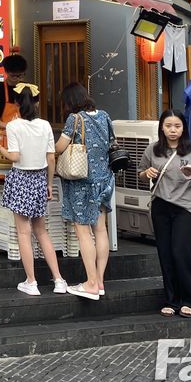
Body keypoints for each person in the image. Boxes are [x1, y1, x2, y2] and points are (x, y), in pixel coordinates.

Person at [0, 83, 68, 296]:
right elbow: (51, 158)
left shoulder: (14, 126)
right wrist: (49, 183)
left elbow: (14, 157)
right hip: (40, 178)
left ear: (16, 103)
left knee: (24, 232)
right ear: (37, 103)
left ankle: (31, 282)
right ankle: (59, 280)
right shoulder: (45, 125)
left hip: (21, 179)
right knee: (41, 231)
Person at [138, 109, 191, 318]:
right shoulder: (152, 150)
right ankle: (171, 300)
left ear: (183, 128)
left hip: (186, 208)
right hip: (161, 206)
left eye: (177, 126)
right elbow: (141, 173)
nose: (173, 130)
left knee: (182, 253)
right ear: (162, 128)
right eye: (168, 126)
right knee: (165, 254)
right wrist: (147, 173)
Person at [53, 82, 115, 301]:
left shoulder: (75, 119)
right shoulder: (105, 116)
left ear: (70, 101)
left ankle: (90, 283)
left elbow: (60, 147)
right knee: (100, 230)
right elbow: (112, 143)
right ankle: (99, 281)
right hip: (104, 180)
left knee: (83, 232)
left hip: (82, 182)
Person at [0, 54, 28, 133]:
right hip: (3, 134)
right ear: (6, 72)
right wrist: (10, 127)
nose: (16, 78)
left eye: (20, 75)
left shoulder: (27, 89)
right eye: (13, 75)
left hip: (23, 133)